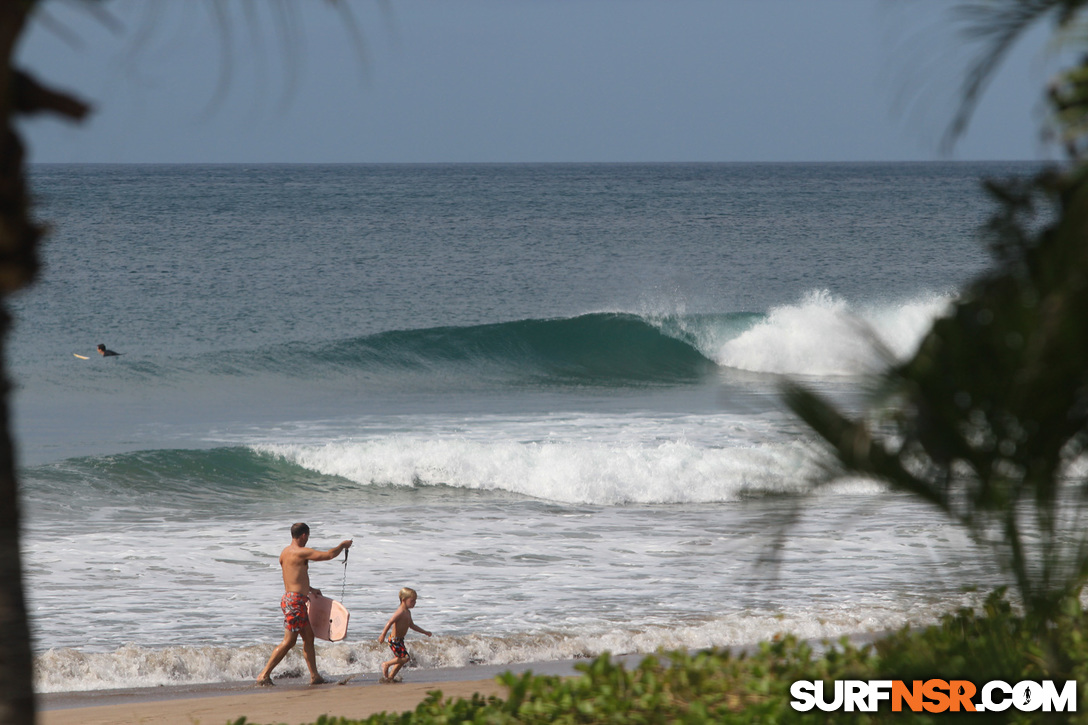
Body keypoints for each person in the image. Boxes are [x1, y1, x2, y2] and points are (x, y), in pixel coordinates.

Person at [255, 523, 352, 686]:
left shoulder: (284, 553)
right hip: (295, 602)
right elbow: (328, 555)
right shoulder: (302, 552)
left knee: (308, 637)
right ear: (304, 536)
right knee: (289, 642)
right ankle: (264, 674)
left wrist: (310, 589)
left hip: (291, 598)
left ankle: (315, 676)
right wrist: (342, 545)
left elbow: (293, 576)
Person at [378, 587, 432, 683]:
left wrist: (425, 632)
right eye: (412, 601)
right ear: (403, 600)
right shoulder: (400, 612)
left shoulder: (408, 612)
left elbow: (412, 625)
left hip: (400, 640)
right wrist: (383, 635)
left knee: (400, 660)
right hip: (394, 640)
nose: (414, 603)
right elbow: (389, 622)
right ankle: (386, 664)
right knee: (405, 658)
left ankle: (390, 678)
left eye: (415, 601)